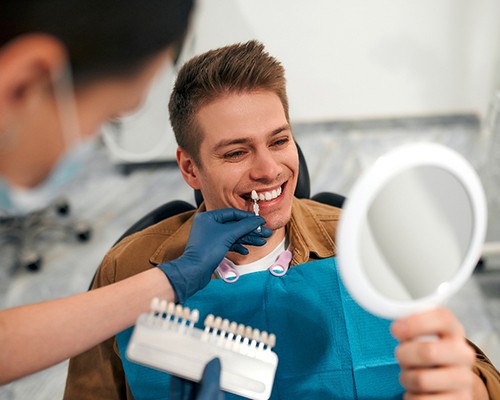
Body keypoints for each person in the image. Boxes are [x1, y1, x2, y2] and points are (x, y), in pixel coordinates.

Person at [64, 40, 500, 399]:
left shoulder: (366, 242)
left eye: (279, 140)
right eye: (236, 152)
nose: (269, 170)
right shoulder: (129, 271)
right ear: (190, 167)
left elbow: (474, 373)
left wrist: (470, 390)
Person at [0, 2, 271, 391]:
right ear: (24, 85)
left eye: (279, 140)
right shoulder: (123, 263)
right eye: (106, 115)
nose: (266, 169)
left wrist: (171, 281)